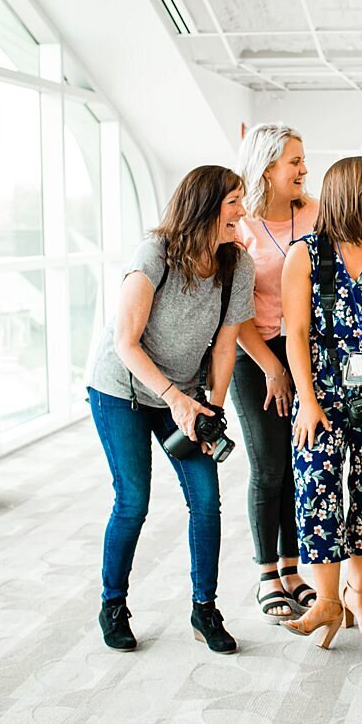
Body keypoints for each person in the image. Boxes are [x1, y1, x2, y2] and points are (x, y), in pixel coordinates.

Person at [88, 165, 255, 654]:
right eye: (233, 203)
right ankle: (112, 604)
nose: (241, 212)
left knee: (206, 499)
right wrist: (177, 399)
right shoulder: (155, 254)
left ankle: (205, 609)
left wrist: (212, 410)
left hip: (183, 393)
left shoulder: (236, 265)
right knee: (132, 500)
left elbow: (226, 346)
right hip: (122, 389)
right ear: (204, 207)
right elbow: (125, 341)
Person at [279, 156, 362, 649]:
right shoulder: (306, 254)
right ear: (349, 189)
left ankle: (358, 597)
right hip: (321, 391)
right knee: (316, 492)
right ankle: (327, 601)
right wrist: (308, 402)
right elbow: (294, 334)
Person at [230, 123, 320, 620]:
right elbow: (233, 311)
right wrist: (271, 367)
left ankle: (293, 568)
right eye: (295, 161)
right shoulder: (240, 224)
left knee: (298, 461)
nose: (305, 169)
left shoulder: (314, 212)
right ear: (268, 167)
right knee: (269, 465)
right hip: (255, 354)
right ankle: (267, 572)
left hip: (304, 351)